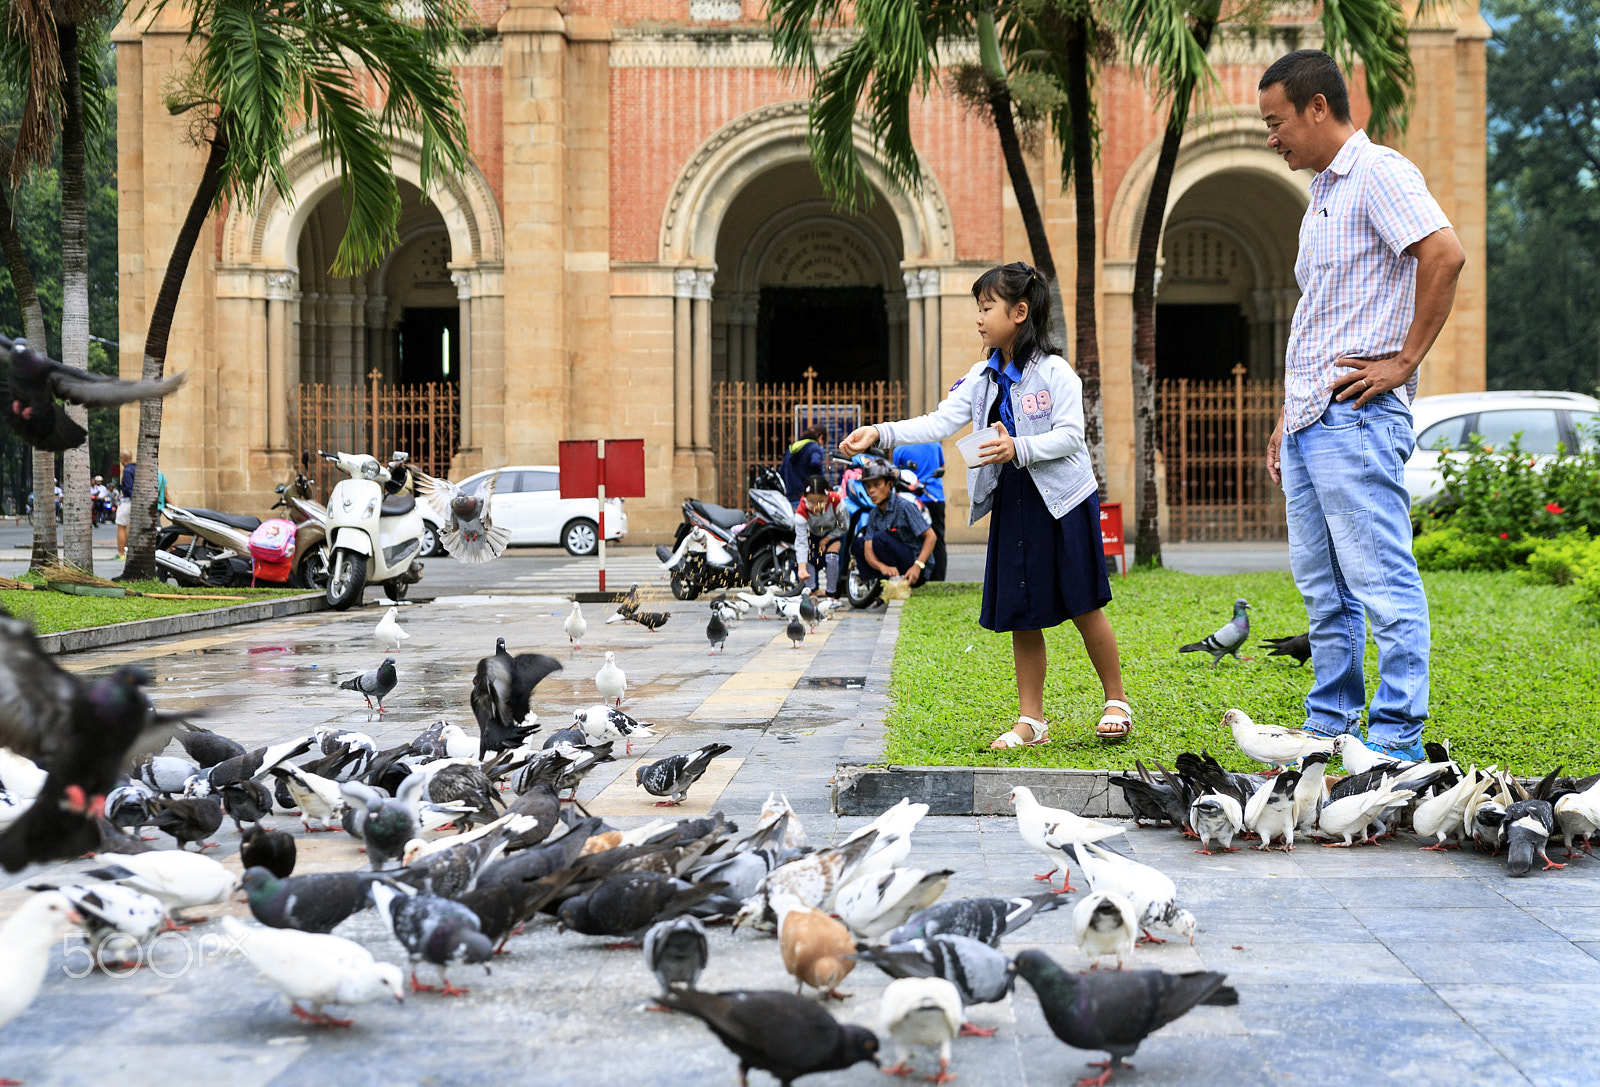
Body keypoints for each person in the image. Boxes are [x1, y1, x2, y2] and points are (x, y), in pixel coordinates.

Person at [1259, 50, 1465, 762]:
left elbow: (1445, 253)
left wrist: (1404, 362)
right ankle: (1331, 723)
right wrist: (1290, 412)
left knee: (1380, 580)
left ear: (1319, 108)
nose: (1270, 136)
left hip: (1358, 419)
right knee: (1325, 589)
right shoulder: (1321, 195)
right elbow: (1323, 315)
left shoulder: (1379, 172)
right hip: (1314, 418)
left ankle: (1399, 737)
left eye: (1276, 121)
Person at [840, 261, 1131, 747]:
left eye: (986, 307)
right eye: (978, 308)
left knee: (1084, 603)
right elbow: (939, 421)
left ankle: (1117, 702)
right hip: (1015, 501)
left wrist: (1018, 446)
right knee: (1022, 610)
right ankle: (1031, 720)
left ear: (1019, 312)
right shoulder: (982, 376)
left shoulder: (1056, 373)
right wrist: (881, 433)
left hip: (1063, 500)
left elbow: (1072, 437)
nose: (979, 317)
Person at [855, 461, 934, 587]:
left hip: (916, 565)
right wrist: (883, 567)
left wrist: (917, 565)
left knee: (879, 538)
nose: (872, 491)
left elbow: (931, 537)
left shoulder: (905, 506)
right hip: (893, 564)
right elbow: (867, 550)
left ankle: (898, 582)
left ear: (889, 484)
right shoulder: (873, 514)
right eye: (868, 486)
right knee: (859, 543)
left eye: (877, 485)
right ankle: (881, 585)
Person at [893, 442, 947, 581]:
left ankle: (912, 575)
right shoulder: (935, 445)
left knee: (910, 538)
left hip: (911, 498)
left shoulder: (900, 449)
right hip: (935, 496)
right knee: (938, 540)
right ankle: (938, 579)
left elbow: (896, 473)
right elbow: (942, 466)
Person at [794, 474, 849, 597]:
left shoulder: (837, 502)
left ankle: (831, 594)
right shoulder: (801, 513)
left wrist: (826, 539)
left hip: (835, 533)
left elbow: (844, 526)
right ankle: (812, 591)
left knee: (832, 558)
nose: (816, 506)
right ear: (805, 498)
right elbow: (801, 542)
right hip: (812, 535)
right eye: (811, 502)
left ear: (827, 495)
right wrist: (801, 568)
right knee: (809, 559)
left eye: (820, 502)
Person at [779, 425, 829, 505]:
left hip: (790, 497)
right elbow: (816, 462)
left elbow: (781, 472)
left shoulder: (791, 449)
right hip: (806, 497)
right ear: (820, 437)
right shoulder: (814, 448)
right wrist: (822, 483)